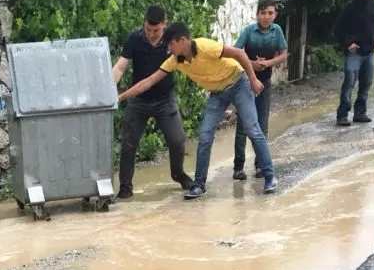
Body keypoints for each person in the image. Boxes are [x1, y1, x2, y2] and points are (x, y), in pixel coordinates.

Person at [119, 21, 277, 199]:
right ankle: (199, 185)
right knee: (204, 136)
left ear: (183, 40)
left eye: (171, 44)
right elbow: (148, 81)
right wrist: (120, 98)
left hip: (238, 83)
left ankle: (270, 177)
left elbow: (239, 53)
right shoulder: (175, 61)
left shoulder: (205, 46)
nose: (169, 49)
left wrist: (253, 79)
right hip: (217, 93)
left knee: (252, 129)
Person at [112, 4, 193, 199]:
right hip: (138, 99)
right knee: (128, 145)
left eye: (155, 31)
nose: (150, 34)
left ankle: (178, 174)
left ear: (164, 25)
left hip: (165, 100)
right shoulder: (134, 38)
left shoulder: (171, 42)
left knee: (177, 140)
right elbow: (121, 67)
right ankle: (125, 187)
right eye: (148, 29)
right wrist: (110, 86)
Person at [233, 0, 288, 180]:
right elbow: (235, 52)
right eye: (263, 13)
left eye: (270, 13)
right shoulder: (249, 31)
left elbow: (283, 54)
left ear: (275, 15)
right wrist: (252, 64)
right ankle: (238, 167)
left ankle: (259, 166)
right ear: (257, 15)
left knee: (262, 125)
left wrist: (268, 63)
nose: (266, 17)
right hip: (245, 83)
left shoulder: (277, 31)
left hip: (265, 82)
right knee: (243, 126)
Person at [334, 0, 374, 127]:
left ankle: (360, 112)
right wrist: (348, 44)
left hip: (369, 51)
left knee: (366, 83)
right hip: (354, 53)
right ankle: (342, 114)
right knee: (349, 82)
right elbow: (338, 29)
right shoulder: (350, 7)